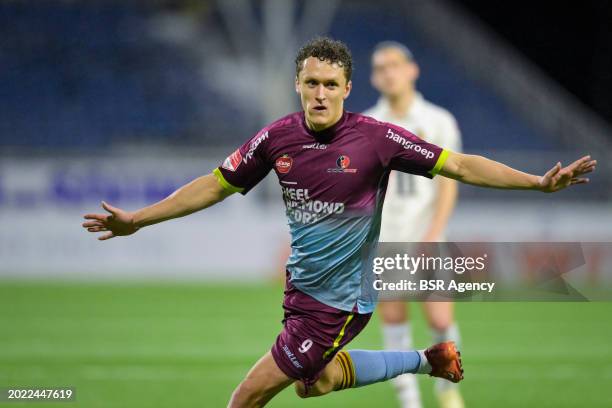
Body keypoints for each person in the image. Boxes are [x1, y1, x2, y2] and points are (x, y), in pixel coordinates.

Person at [82, 37, 596, 408]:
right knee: (317, 383)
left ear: (347, 88)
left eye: (331, 84)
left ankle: (428, 361)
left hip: (340, 302)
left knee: (244, 399)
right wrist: (140, 220)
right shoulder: (276, 138)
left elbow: (459, 164)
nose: (321, 93)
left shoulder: (377, 139)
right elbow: (217, 183)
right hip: (301, 290)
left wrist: (535, 182)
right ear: (298, 85)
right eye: (312, 83)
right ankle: (429, 359)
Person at [364, 42, 463, 408]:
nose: (388, 72)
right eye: (380, 67)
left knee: (440, 317)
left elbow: (449, 181)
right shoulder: (368, 123)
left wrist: (435, 231)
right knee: (394, 319)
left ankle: (447, 387)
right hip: (386, 238)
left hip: (426, 236)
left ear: (412, 69)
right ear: (374, 78)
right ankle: (409, 400)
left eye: (394, 64)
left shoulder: (438, 120)